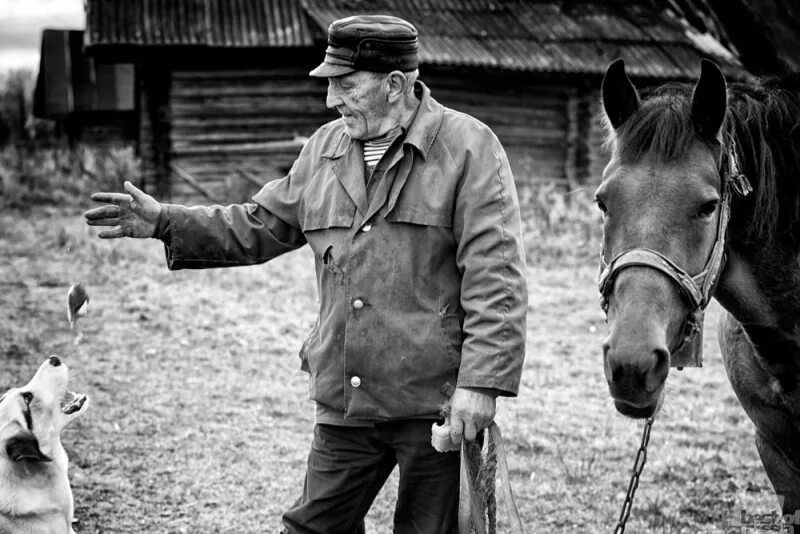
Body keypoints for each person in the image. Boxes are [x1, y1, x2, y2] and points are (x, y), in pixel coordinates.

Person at [85, 14, 527, 534]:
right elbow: (259, 224)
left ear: (395, 84)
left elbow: (495, 276)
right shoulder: (325, 148)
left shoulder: (470, 149)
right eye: (329, 84)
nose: (331, 99)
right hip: (347, 393)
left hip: (435, 402)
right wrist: (165, 222)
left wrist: (481, 384)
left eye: (345, 84)